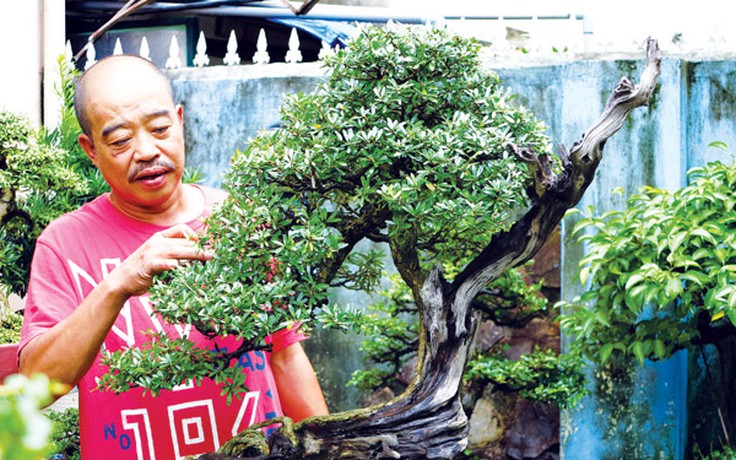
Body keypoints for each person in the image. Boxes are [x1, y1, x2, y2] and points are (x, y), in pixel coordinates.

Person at [18, 54, 328, 459]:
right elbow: (38, 386)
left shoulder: (240, 221)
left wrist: (329, 450)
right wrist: (118, 285)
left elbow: (285, 355)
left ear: (180, 121)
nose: (146, 151)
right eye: (120, 141)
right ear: (90, 150)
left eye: (160, 128)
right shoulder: (64, 243)